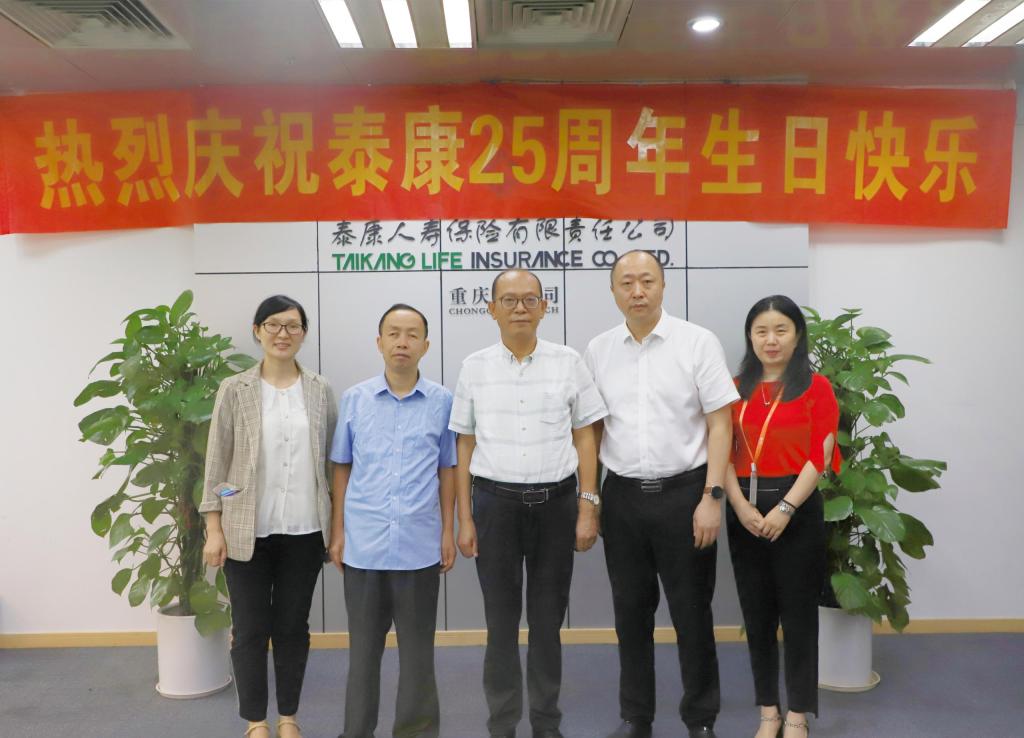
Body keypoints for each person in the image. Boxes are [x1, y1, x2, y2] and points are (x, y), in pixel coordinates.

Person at [584, 249, 738, 738]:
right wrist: (591, 500)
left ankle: (700, 718)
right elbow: (592, 431)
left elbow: (720, 424)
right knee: (630, 614)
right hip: (623, 498)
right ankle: (637, 716)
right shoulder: (599, 350)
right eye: (627, 283)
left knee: (692, 613)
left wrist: (712, 496)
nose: (638, 291)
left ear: (663, 285)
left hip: (686, 494)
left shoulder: (697, 342)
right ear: (613, 291)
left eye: (647, 281)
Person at [450, 269, 607, 738]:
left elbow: (586, 437)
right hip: (494, 506)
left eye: (529, 299)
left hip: (556, 506)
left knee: (546, 622)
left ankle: (546, 723)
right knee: (500, 623)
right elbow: (464, 444)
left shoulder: (568, 362)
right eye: (509, 300)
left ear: (544, 307)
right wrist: (464, 518)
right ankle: (502, 723)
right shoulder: (474, 366)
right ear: (491, 309)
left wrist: (588, 506)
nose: (520, 307)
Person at [201, 295, 337, 738]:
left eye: (293, 326)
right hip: (247, 532)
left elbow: (332, 463)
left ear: (304, 334)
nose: (283, 333)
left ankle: (289, 717)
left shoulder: (319, 389)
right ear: (257, 331)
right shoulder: (235, 389)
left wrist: (337, 525)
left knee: (293, 627)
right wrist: (216, 524)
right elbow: (219, 468)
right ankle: (256, 721)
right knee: (250, 629)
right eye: (273, 325)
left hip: (305, 530)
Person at [328, 303, 457, 738]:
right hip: (364, 547)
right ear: (379, 342)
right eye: (394, 333)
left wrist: (448, 531)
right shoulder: (356, 399)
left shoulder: (442, 402)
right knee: (363, 655)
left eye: (412, 334)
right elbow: (341, 466)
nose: (402, 342)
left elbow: (448, 469)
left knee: (418, 656)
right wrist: (339, 532)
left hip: (419, 548)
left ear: (426, 345)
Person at [724, 295, 840, 738]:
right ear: (750, 337)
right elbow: (721, 450)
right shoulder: (734, 388)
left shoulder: (816, 387)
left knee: (798, 616)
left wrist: (787, 508)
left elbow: (820, 453)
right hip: (745, 510)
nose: (770, 340)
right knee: (757, 617)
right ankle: (769, 712)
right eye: (761, 331)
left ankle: (797, 715)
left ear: (797, 336)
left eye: (780, 330)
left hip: (797, 508)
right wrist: (740, 506)